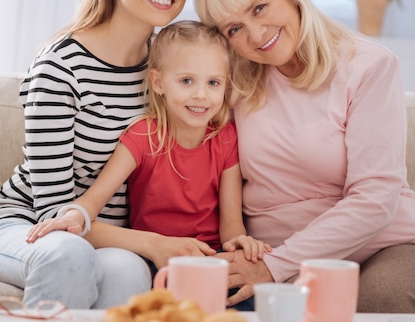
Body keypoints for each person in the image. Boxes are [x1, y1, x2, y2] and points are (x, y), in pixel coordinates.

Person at [194, 0, 415, 314]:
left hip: (388, 245)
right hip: (269, 257)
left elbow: (376, 198)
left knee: (380, 303)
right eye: (234, 28)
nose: (254, 34)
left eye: (260, 8)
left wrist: (275, 265)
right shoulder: (231, 84)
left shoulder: (368, 67)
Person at [0, 0, 198, 309]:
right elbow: (53, 209)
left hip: (105, 236)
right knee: (68, 253)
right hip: (25, 226)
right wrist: (153, 242)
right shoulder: (60, 66)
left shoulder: (171, 68)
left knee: (129, 270)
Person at [26, 20, 270, 268]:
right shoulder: (143, 136)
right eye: (187, 81)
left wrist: (242, 242)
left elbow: (231, 227)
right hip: (151, 258)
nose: (201, 95)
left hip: (209, 258)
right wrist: (75, 216)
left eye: (213, 83)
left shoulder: (226, 138)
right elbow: (93, 200)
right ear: (158, 82)